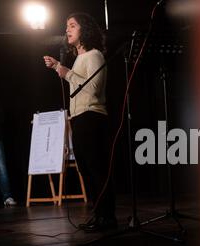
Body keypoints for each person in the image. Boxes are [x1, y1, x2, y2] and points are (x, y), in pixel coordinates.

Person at [43, 12, 116, 232]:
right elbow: (78, 84)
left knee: (96, 169)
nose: (68, 30)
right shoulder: (78, 59)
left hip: (92, 117)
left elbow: (92, 90)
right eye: (67, 26)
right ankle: (99, 215)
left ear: (84, 29)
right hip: (79, 119)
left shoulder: (94, 55)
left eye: (72, 25)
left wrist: (63, 71)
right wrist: (62, 68)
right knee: (86, 170)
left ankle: (108, 217)